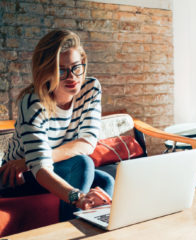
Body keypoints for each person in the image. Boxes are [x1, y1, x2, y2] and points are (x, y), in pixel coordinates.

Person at [0, 30, 114, 221]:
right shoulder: (33, 103)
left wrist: (32, 160)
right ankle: (69, 232)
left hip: (35, 164)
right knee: (83, 163)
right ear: (46, 71)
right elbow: (41, 168)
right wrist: (78, 198)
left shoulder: (90, 89)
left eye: (76, 67)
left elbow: (87, 142)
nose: (72, 77)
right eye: (60, 70)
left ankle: (98, 230)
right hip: (15, 176)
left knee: (105, 181)